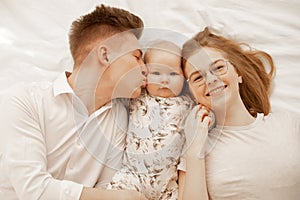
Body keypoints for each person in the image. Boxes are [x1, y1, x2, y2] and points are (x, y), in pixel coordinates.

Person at [0, 4, 149, 200]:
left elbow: (105, 187)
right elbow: (33, 190)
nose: (145, 69)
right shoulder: (23, 99)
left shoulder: (120, 119)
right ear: (105, 55)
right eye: (137, 57)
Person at [178, 27, 300, 199]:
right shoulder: (195, 150)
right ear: (192, 94)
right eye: (198, 78)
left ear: (238, 73)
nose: (211, 79)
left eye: (218, 68)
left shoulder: (289, 124)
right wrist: (194, 149)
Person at [107, 40, 193, 200]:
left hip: (167, 186)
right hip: (130, 179)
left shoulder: (188, 105)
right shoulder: (137, 97)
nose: (165, 80)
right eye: (156, 73)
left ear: (184, 78)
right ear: (145, 76)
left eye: (173, 74)